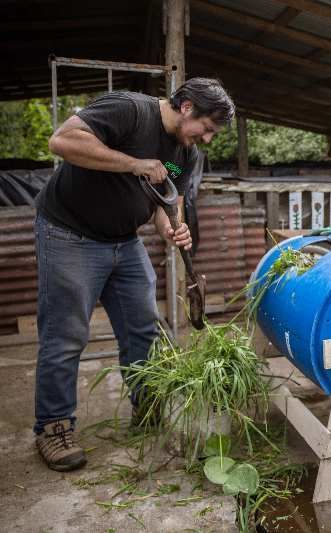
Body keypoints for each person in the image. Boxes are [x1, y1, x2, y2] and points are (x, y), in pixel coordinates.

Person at [33, 78, 234, 471]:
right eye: (207, 128)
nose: (207, 139)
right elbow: (62, 141)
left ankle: (148, 406)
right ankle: (54, 428)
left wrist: (170, 226)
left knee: (144, 326)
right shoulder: (129, 110)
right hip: (69, 232)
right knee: (67, 333)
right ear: (188, 107)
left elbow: (164, 199)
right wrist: (133, 163)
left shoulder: (185, 153)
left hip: (124, 241)